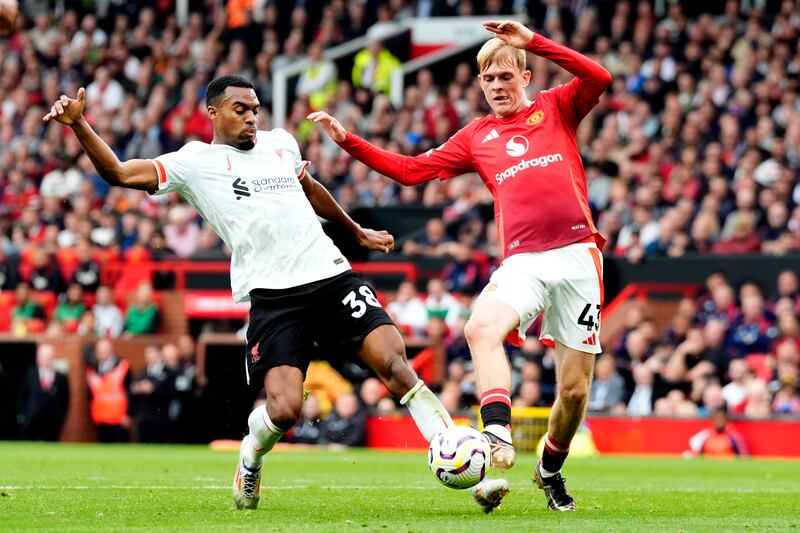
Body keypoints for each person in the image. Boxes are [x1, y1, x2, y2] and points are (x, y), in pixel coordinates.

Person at [43, 75, 453, 511]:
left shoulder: (281, 143)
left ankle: (455, 453)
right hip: (274, 297)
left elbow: (310, 190)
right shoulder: (194, 162)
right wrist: (79, 124)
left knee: (394, 362)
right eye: (241, 109)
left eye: (255, 109)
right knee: (285, 409)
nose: (252, 118)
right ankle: (251, 456)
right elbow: (120, 173)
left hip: (331, 276)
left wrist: (357, 232)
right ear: (214, 112)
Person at [311, 19, 612, 512]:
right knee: (479, 328)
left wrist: (533, 41)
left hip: (578, 256)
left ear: (525, 76)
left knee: (574, 391)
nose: (497, 86)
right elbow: (411, 172)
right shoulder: (477, 137)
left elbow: (599, 77)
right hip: (524, 261)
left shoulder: (557, 107)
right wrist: (350, 141)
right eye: (488, 79)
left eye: (506, 76)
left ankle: (550, 468)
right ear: (480, 85)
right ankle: (496, 432)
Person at [17, 343, 70, 441]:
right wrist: (22, 415)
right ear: (38, 358)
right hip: (32, 419)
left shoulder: (61, 377)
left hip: (52, 421)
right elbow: (22, 396)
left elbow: (65, 399)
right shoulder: (30, 374)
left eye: (49, 357)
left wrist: (61, 417)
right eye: (44, 357)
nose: (47, 359)